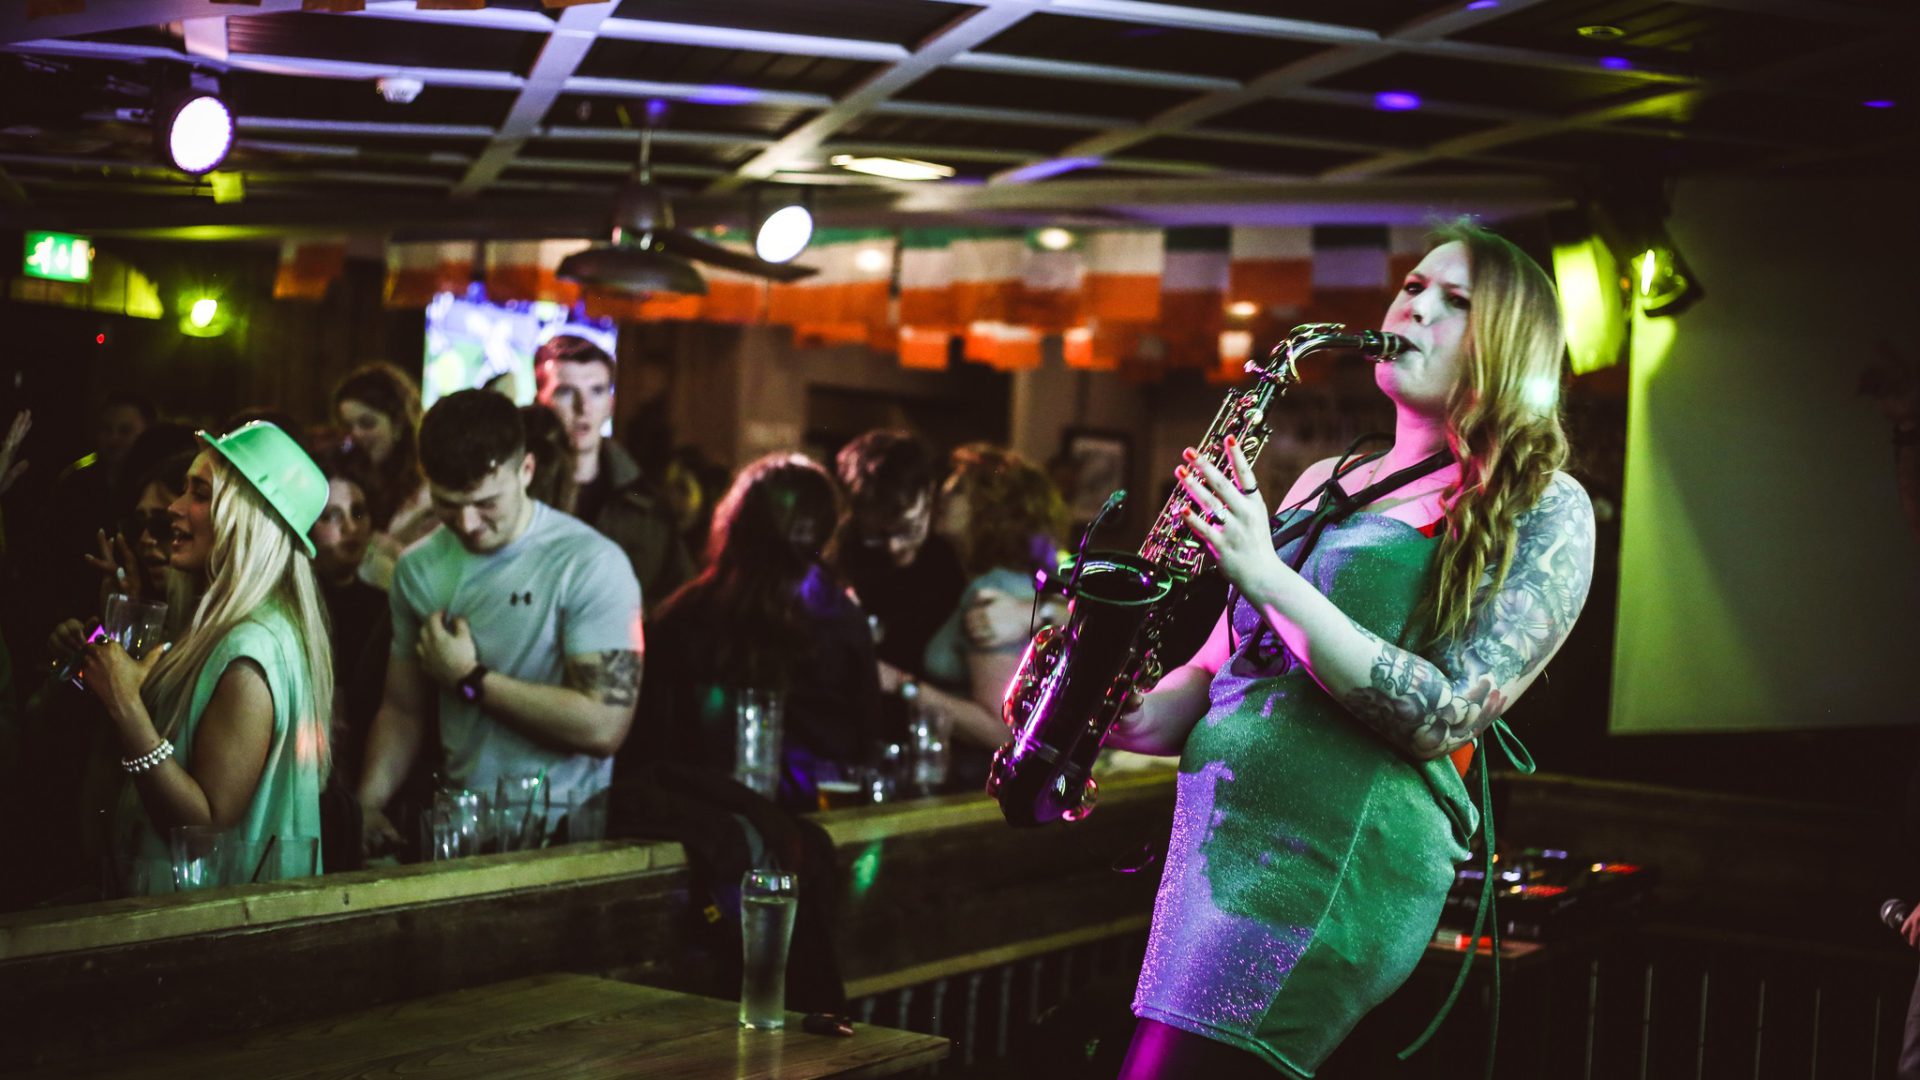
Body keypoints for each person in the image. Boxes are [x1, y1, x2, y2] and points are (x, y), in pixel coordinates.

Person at [1108, 222, 1597, 1077]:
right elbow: (1222, 667)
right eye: (1412, 287)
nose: (1414, 309)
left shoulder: (1547, 505)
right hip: (1214, 849)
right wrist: (1125, 711)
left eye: (1455, 301)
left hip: (1329, 864)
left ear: (1511, 345)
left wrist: (1266, 572)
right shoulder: (1323, 478)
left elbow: (1445, 715)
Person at [356, 390, 642, 854]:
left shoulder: (589, 563)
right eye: (448, 503)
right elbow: (402, 710)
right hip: (459, 826)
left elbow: (604, 726)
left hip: (566, 835)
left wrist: (470, 679)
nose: (467, 523)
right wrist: (368, 804)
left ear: (525, 470)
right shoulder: (418, 568)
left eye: (486, 503)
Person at [77, 421, 335, 893]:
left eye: (199, 494)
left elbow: (203, 830)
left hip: (216, 926)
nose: (174, 509)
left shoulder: (251, 651)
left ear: (247, 518)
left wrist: (125, 706)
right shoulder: (226, 629)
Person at [627, 453, 883, 812]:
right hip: (815, 824)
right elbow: (867, 743)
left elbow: (648, 742)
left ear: (737, 521)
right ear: (824, 530)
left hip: (702, 820)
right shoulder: (841, 619)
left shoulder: (682, 614)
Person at [889, 445, 1067, 789]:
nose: (942, 493)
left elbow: (1000, 729)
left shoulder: (991, 589)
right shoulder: (1005, 580)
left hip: (978, 783)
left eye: (958, 489)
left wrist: (901, 684)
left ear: (990, 508)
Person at [532, 329, 692, 614]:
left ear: (610, 403)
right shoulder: (521, 497)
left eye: (597, 391)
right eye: (565, 392)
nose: (583, 408)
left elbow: (678, 602)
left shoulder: (645, 505)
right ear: (540, 402)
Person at [830, 430, 968, 682]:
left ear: (928, 492)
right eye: (876, 535)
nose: (893, 547)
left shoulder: (956, 551)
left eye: (907, 530)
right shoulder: (843, 550)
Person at [332, 362, 434, 591]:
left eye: (367, 423)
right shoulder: (347, 479)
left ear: (398, 424)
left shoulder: (429, 492)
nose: (355, 435)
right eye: (348, 426)